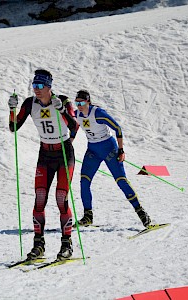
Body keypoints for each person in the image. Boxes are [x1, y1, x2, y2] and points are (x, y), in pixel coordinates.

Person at [8, 69, 79, 260]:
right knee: (40, 198)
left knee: (61, 197)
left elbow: (74, 126)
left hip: (64, 152)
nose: (36, 90)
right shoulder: (30, 103)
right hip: (45, 153)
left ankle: (67, 245)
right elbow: (13, 127)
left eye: (40, 86)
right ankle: (38, 245)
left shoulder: (63, 101)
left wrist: (62, 111)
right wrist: (12, 109)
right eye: (34, 86)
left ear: (49, 87)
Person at [73, 89, 152, 228]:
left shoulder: (98, 113)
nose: (79, 105)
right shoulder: (77, 114)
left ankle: (141, 213)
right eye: (77, 102)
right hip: (93, 150)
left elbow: (118, 128)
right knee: (84, 181)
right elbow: (73, 128)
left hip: (109, 148)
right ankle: (88, 216)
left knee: (121, 180)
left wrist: (121, 150)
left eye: (82, 102)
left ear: (88, 102)